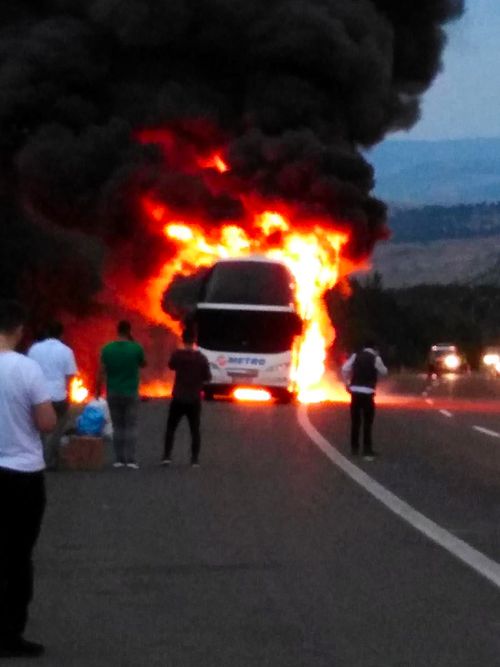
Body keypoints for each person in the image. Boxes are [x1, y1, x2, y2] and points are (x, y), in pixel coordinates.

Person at [0, 300, 56, 658]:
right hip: (22, 476)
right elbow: (47, 422)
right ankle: (9, 635)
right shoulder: (26, 369)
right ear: (19, 330)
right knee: (17, 556)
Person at [27, 321, 77, 469]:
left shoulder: (34, 349)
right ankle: (49, 458)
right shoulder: (66, 350)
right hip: (58, 396)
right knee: (58, 426)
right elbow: (70, 376)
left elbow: (29, 371)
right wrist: (69, 394)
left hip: (38, 395)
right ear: (61, 335)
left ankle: (41, 457)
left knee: (39, 429)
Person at [97, 320, 146, 469]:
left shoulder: (107, 349)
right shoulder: (136, 348)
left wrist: (97, 390)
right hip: (131, 392)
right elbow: (143, 364)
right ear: (129, 331)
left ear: (117, 331)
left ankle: (119, 459)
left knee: (117, 426)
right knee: (131, 426)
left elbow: (102, 371)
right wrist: (133, 342)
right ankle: (131, 460)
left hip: (113, 392)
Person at [162, 329, 211, 467]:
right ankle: (194, 459)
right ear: (194, 341)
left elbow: (171, 365)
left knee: (171, 427)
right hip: (194, 398)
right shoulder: (201, 358)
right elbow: (207, 377)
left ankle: (167, 456)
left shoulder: (178, 355)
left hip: (178, 396)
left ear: (183, 341)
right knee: (194, 429)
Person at [341, 340, 388, 460]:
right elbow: (384, 372)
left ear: (363, 347)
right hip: (368, 393)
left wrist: (347, 383)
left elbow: (345, 368)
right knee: (367, 423)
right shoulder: (375, 358)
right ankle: (367, 449)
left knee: (355, 421)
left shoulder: (356, 356)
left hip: (355, 392)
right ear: (374, 348)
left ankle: (354, 448)